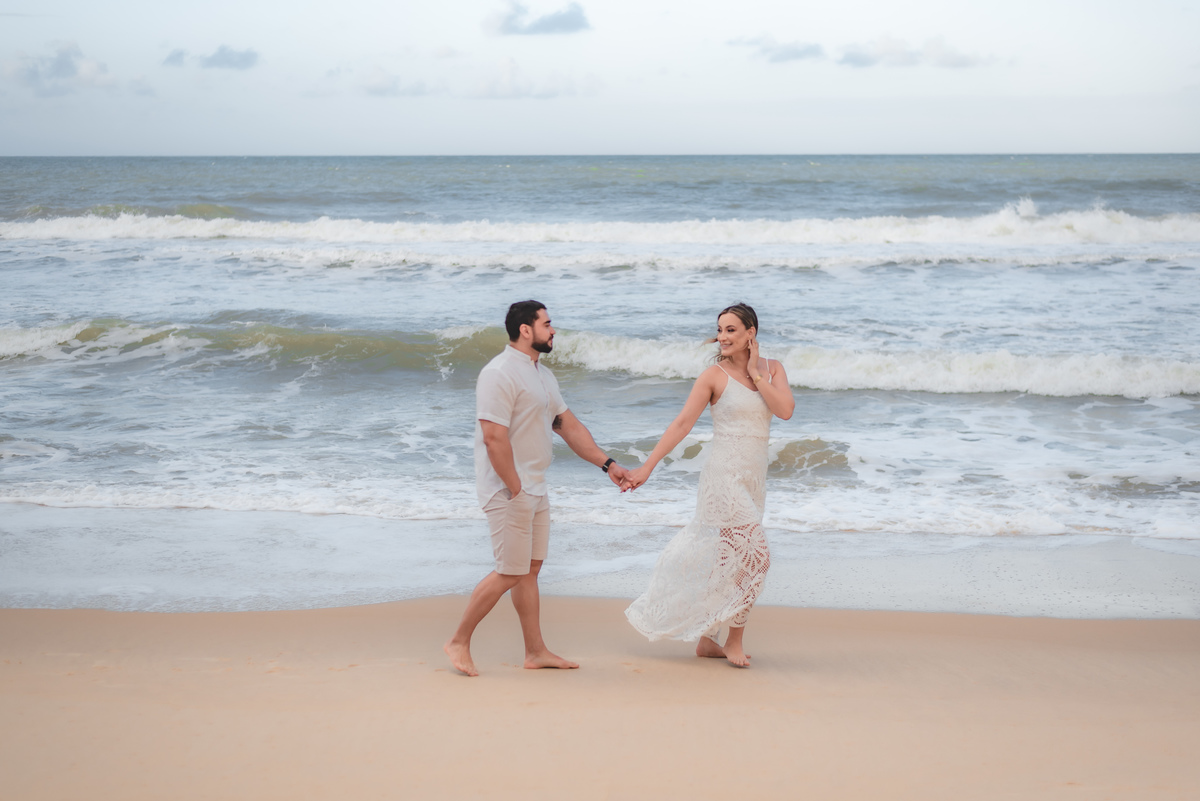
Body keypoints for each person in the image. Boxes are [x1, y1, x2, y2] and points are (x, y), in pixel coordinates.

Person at [444, 300, 629, 677]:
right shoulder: (498, 374)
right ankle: (458, 641)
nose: (553, 330)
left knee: (529, 569)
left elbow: (568, 426)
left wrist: (608, 464)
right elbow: (493, 438)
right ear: (525, 330)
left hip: (535, 486)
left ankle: (535, 651)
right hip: (508, 489)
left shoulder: (542, 376)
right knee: (509, 571)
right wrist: (515, 488)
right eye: (547, 323)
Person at [622, 303, 794, 667]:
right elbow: (682, 424)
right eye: (720, 329)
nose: (723, 336)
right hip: (723, 477)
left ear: (751, 333)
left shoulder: (772, 369)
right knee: (756, 558)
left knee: (730, 560)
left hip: (753, 478)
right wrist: (648, 467)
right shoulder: (712, 377)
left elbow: (785, 410)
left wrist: (754, 373)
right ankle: (734, 640)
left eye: (732, 330)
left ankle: (706, 639)